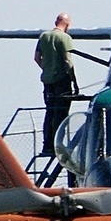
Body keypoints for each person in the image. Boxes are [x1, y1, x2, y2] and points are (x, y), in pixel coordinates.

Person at [34, 13, 77, 156]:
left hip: (47, 81)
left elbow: (36, 58)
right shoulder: (65, 38)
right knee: (61, 113)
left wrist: (47, 69)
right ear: (68, 24)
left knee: (50, 112)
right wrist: (73, 81)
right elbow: (67, 62)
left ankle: (47, 145)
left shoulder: (44, 36)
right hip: (61, 81)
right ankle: (58, 144)